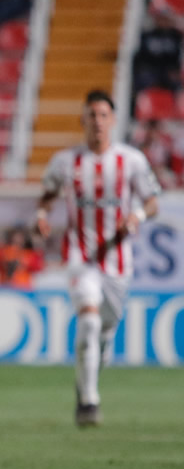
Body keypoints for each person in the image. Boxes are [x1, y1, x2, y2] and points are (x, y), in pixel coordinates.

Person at [35, 90, 160, 427]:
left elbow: (152, 202)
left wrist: (135, 216)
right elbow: (45, 196)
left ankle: (89, 377)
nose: (98, 122)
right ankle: (88, 402)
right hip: (80, 255)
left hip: (118, 261)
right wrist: (42, 215)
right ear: (83, 121)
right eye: (92, 115)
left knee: (104, 331)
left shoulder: (131, 160)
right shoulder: (65, 161)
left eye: (104, 115)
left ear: (113, 120)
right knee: (88, 321)